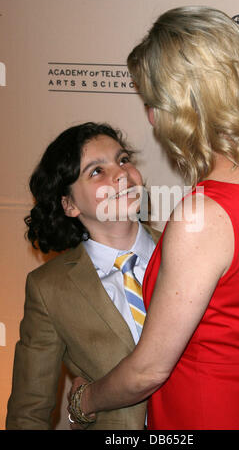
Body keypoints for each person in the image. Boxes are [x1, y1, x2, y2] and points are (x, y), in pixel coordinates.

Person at [67, 6, 239, 430]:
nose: (151, 118)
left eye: (153, 102)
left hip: (204, 416)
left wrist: (85, 399)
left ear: (188, 104)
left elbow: (148, 370)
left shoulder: (203, 215)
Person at [6, 122, 160, 430]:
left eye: (123, 159)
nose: (120, 174)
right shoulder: (49, 289)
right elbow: (29, 412)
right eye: (96, 171)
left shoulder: (187, 252)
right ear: (70, 204)